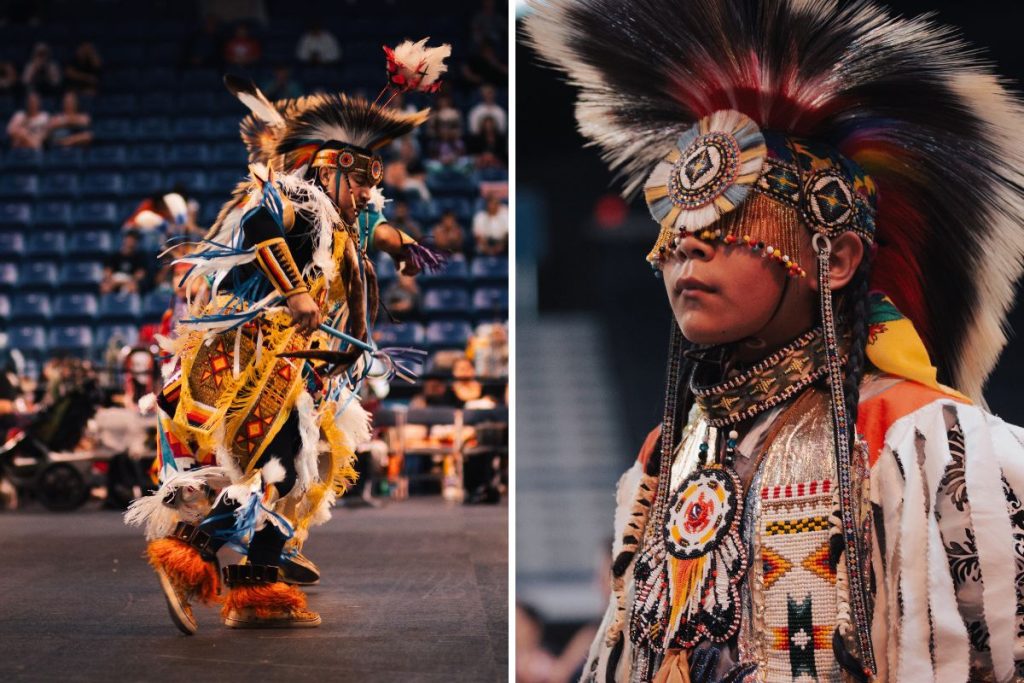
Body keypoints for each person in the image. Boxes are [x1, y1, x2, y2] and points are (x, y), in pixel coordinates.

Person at [526, 1, 1024, 681]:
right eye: (675, 231)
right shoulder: (669, 451)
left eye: (733, 220)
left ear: (838, 258)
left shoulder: (926, 440)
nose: (690, 246)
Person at [125, 45, 450, 635]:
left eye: (369, 182)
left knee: (307, 470)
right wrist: (295, 290)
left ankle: (259, 591)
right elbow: (256, 225)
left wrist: (403, 247)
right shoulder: (298, 201)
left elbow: (379, 227)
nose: (364, 192)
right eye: (357, 178)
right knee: (273, 463)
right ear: (327, 170)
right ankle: (190, 549)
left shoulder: (351, 219)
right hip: (247, 348)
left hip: (296, 364)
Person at [101, 230, 150, 295]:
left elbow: (140, 275)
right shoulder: (113, 256)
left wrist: (126, 281)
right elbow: (107, 272)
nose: (131, 241)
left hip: (130, 281)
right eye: (129, 238)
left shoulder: (140, 257)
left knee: (132, 287)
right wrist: (113, 280)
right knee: (105, 287)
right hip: (114, 280)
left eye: (134, 239)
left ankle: (130, 304)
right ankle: (107, 303)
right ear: (124, 239)